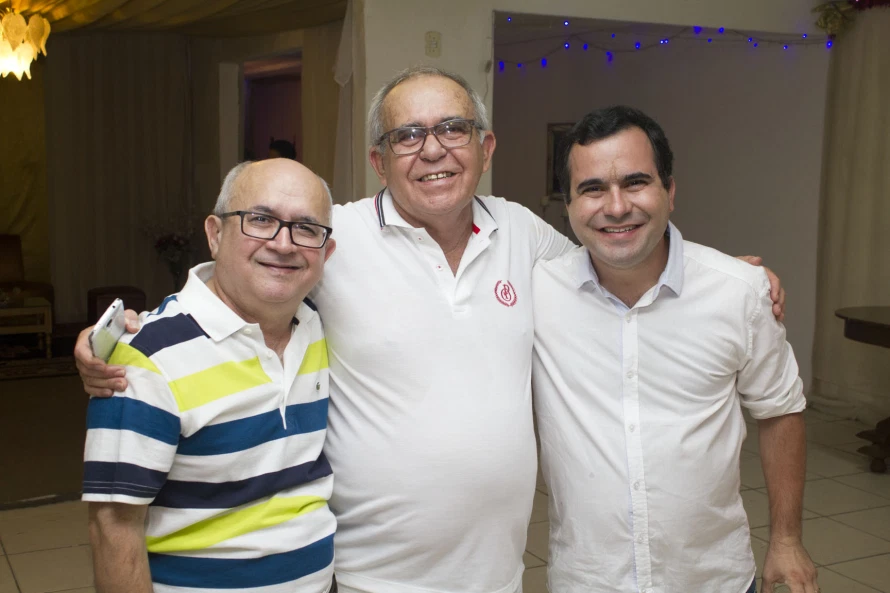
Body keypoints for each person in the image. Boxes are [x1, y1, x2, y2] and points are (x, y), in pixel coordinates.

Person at [75, 68, 786, 593]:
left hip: (500, 572)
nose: (433, 149)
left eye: (452, 128)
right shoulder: (334, 237)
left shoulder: (524, 235)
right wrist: (129, 335)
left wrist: (728, 274)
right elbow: (249, 270)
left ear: (486, 145)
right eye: (407, 135)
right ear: (379, 160)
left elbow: (616, 249)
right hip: (365, 574)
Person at [532, 106, 817, 593]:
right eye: (593, 188)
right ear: (569, 203)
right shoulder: (535, 293)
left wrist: (787, 540)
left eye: (636, 182)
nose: (616, 207)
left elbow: (781, 410)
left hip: (713, 579)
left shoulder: (738, 292)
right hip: (588, 579)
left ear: (670, 191)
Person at [83, 159, 339, 593]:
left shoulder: (317, 325)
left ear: (326, 252)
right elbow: (113, 527)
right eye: (260, 220)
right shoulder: (146, 358)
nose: (283, 244)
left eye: (306, 228)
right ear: (215, 234)